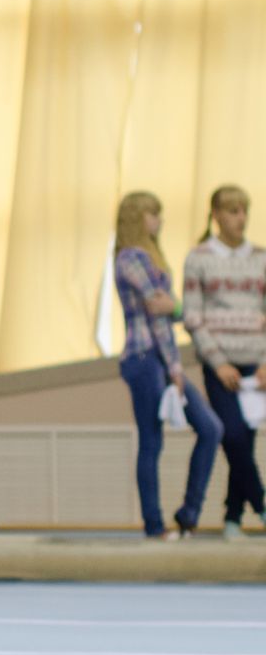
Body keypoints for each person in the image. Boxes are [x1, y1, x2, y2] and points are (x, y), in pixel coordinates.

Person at [112, 191, 223, 540]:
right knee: (151, 442)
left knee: (210, 428)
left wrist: (175, 309)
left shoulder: (151, 258)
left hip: (161, 360)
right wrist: (175, 367)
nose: (159, 221)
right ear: (136, 217)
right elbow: (159, 312)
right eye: (153, 214)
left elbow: (171, 309)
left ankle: (189, 513)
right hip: (144, 359)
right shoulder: (130, 258)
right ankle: (154, 526)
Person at [181, 184, 266, 541]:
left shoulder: (260, 258)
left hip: (256, 366)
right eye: (232, 211)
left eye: (244, 210)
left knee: (243, 442)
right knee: (230, 434)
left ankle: (233, 519)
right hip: (221, 365)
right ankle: (261, 505)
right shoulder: (198, 257)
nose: (240, 218)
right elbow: (192, 316)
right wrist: (218, 363)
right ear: (216, 215)